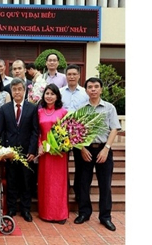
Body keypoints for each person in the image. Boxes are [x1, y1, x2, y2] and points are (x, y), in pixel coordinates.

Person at [73, 77, 121, 232]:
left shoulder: (109, 108)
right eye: (90, 87)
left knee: (105, 185)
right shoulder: (81, 108)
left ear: (101, 89)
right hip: (85, 150)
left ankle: (105, 217)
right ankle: (84, 213)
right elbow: (75, 131)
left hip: (103, 149)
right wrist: (81, 148)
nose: (93, 89)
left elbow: (114, 129)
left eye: (96, 87)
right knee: (83, 183)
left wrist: (106, 148)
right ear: (86, 90)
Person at [0, 77, 39, 222]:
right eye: (14, 89)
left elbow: (35, 131)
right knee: (11, 181)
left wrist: (33, 151)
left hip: (27, 152)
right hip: (10, 153)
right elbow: (1, 132)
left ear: (24, 90)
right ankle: (12, 208)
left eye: (19, 89)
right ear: (11, 91)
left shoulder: (32, 108)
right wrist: (2, 151)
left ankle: (26, 210)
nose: (17, 92)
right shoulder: (4, 109)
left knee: (27, 182)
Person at [37, 84, 68, 224]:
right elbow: (36, 131)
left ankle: (60, 214)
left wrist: (62, 144)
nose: (49, 96)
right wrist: (39, 146)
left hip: (58, 153)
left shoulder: (63, 112)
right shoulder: (39, 112)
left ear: (57, 96)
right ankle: (46, 213)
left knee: (58, 183)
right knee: (46, 182)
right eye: (47, 93)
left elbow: (68, 132)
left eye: (52, 94)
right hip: (45, 152)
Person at [59, 64, 89, 203]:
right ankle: (64, 190)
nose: (71, 77)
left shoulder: (85, 92)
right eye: (69, 74)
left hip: (79, 133)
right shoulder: (60, 92)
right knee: (61, 164)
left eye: (74, 74)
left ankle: (78, 192)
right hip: (62, 133)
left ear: (78, 76)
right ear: (66, 76)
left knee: (80, 164)